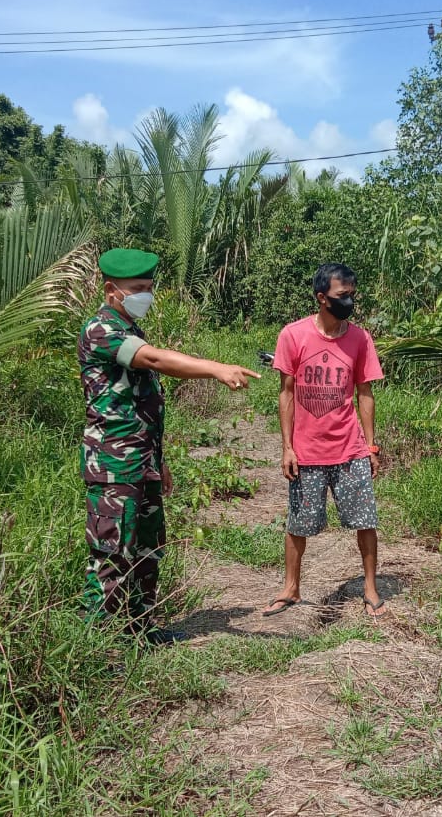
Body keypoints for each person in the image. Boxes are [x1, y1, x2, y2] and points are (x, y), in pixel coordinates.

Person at [79, 248, 260, 645]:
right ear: (111, 291)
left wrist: (159, 462)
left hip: (141, 461)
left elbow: (142, 407)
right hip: (113, 464)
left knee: (147, 549)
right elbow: (157, 360)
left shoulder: (131, 330)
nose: (146, 295)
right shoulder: (101, 330)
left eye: (149, 287)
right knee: (112, 552)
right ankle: (100, 646)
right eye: (137, 288)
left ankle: (140, 629)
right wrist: (216, 368)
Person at [264, 262, 388, 618]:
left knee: (365, 520)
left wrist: (370, 446)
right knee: (298, 524)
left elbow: (365, 394)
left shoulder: (360, 339)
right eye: (342, 295)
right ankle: (291, 588)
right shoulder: (293, 335)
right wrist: (288, 447)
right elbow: (286, 394)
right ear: (322, 298)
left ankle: (370, 588)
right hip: (307, 452)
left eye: (352, 295)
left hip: (350, 449)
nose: (349, 301)